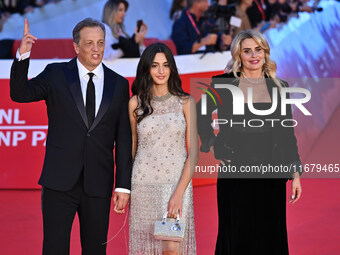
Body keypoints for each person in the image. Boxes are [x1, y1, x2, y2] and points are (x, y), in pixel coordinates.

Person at [10, 18, 132, 255]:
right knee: (55, 249)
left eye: (100, 42)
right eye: (89, 43)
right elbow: (20, 94)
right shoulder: (56, 74)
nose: (96, 49)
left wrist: (123, 186)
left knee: (95, 251)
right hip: (59, 182)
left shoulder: (118, 85)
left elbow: (124, 139)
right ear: (76, 47)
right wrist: (23, 56)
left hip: (98, 183)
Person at [196, 30, 302, 254]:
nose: (254, 55)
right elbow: (200, 114)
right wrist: (213, 144)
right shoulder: (224, 84)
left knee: (269, 236)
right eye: (247, 51)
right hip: (236, 173)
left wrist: (295, 174)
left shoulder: (280, 87)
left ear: (265, 52)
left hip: (271, 174)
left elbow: (287, 133)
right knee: (237, 237)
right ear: (238, 55)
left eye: (258, 49)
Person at [128, 43, 198, 255]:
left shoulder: (185, 102)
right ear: (146, 69)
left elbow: (193, 153)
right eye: (155, 65)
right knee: (147, 250)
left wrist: (179, 193)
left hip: (176, 184)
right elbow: (133, 148)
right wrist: (126, 188)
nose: (160, 71)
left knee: (171, 248)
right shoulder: (135, 103)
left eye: (166, 65)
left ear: (172, 69)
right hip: (143, 184)